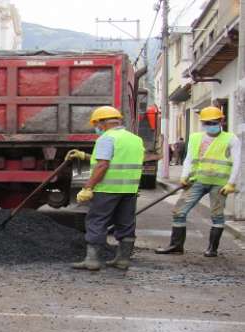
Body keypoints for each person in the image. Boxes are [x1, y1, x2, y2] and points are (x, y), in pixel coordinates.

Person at [67, 106, 145, 271]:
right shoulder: (135, 139)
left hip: (107, 189)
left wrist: (88, 187)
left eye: (97, 124)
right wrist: (84, 156)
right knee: (125, 223)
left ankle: (92, 260)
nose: (97, 127)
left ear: (102, 123)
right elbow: (118, 159)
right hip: (129, 190)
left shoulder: (107, 139)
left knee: (97, 221)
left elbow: (103, 164)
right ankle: (123, 260)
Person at [156, 106, 241, 257]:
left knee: (217, 215)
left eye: (213, 122)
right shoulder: (195, 138)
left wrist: (231, 183)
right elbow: (189, 159)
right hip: (197, 181)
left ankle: (212, 249)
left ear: (221, 121)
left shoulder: (231, 138)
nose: (210, 125)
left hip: (219, 184)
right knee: (179, 212)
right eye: (206, 122)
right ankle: (176, 246)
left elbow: (237, 162)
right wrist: (184, 175)